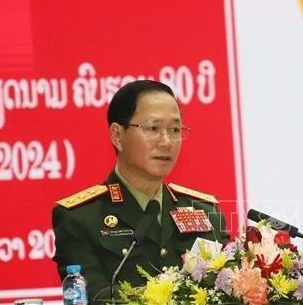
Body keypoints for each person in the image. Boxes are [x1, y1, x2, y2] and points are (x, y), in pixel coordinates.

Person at [52, 80, 228, 301]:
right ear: (118, 136)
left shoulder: (205, 211)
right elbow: (95, 298)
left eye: (175, 130)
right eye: (153, 128)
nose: (166, 142)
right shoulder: (80, 217)